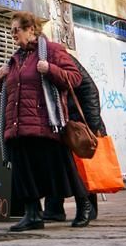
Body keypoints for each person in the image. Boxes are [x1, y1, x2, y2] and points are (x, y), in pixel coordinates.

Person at [0, 11, 87, 232]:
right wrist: (0, 78)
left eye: (17, 30)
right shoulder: (16, 58)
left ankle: (84, 206)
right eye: (11, 31)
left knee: (61, 170)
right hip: (18, 125)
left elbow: (75, 78)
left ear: (31, 29)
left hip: (46, 123)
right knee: (24, 173)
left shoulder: (52, 51)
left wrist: (51, 69)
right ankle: (33, 214)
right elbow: (16, 91)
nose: (13, 34)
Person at [43, 49, 106, 223]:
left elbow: (90, 89)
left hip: (78, 123)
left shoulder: (59, 57)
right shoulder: (38, 62)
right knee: (58, 164)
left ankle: (89, 208)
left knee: (82, 167)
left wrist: (91, 127)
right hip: (59, 122)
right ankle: (53, 209)